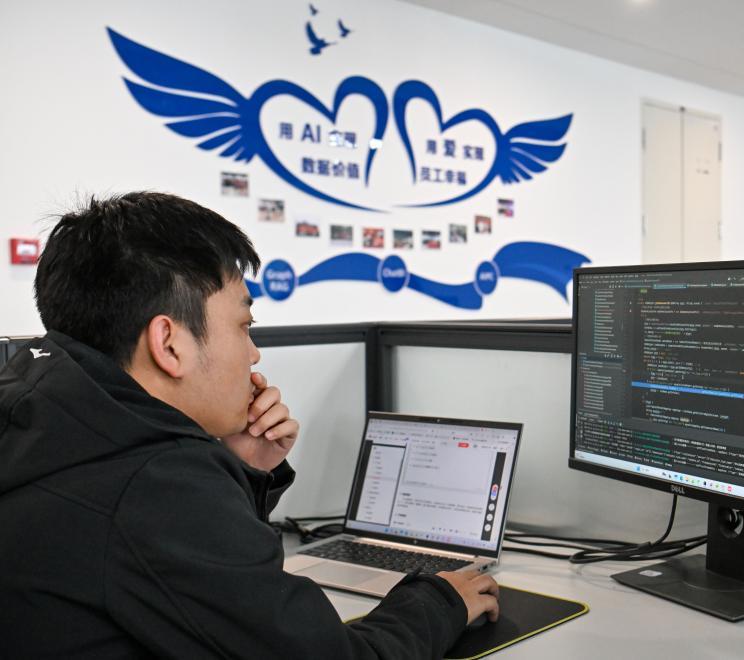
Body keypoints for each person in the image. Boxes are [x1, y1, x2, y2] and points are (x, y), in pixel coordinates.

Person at [0, 192, 499, 658]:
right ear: (169, 343)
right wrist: (438, 601)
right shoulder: (157, 482)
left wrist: (242, 470)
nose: (254, 353)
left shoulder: (41, 411)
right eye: (244, 326)